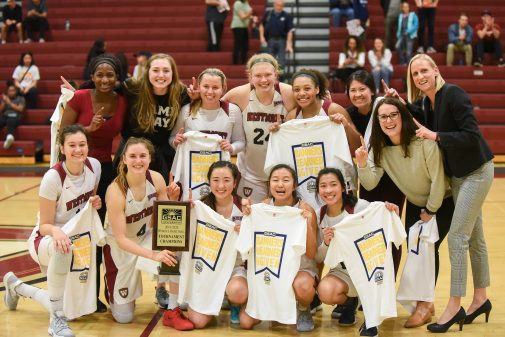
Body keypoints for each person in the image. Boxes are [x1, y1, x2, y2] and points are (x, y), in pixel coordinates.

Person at [405, 53, 494, 333]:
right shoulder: (429, 102)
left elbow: (471, 135)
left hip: (477, 171)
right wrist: (398, 100)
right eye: (414, 73)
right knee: (476, 240)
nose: (419, 76)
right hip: (458, 176)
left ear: (435, 70)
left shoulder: (453, 93)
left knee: (457, 238)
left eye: (423, 70)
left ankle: (454, 306)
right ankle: (481, 298)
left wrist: (437, 136)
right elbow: (422, 120)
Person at [355, 97, 454, 328]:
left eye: (393, 115)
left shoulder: (424, 143)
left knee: (430, 248)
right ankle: (423, 303)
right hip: (417, 203)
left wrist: (431, 210)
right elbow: (369, 184)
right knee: (415, 249)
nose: (388, 121)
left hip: (443, 200)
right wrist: (361, 163)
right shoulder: (380, 150)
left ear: (403, 116)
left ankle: (425, 304)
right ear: (377, 121)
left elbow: (439, 181)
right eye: (383, 117)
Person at [3, 124, 102, 337]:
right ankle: (55, 322)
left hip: (75, 239)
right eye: (72, 145)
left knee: (69, 309)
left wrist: (95, 203)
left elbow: (87, 205)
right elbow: (45, 225)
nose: (78, 150)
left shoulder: (94, 167)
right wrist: (57, 233)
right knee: (62, 249)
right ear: (62, 148)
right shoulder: (53, 178)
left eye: (82, 144)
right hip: (45, 240)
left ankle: (16, 285)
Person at [60, 54, 127, 312]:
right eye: (100, 74)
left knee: (99, 234)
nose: (105, 79)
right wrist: (87, 129)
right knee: (79, 231)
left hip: (105, 170)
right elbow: (63, 135)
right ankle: (75, 293)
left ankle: (99, 294)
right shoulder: (79, 98)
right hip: (78, 168)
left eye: (109, 74)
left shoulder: (122, 102)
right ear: (92, 76)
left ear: (117, 77)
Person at [103, 137, 190, 327]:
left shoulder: (156, 178)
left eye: (142, 156)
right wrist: (152, 255)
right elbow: (120, 239)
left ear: (149, 158)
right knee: (124, 317)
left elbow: (165, 221)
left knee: (174, 242)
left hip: (146, 236)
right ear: (124, 159)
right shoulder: (116, 191)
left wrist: (173, 201)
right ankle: (113, 292)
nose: (138, 161)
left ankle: (171, 305)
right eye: (132, 156)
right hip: (121, 248)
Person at [315, 167, 399, 336]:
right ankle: (350, 302)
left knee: (376, 281)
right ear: (318, 190)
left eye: (333, 185)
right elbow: (318, 257)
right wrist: (325, 242)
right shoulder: (319, 215)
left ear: (343, 188)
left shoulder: (361, 207)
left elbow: (381, 222)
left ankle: (372, 319)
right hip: (343, 273)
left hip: (367, 271)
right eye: (323, 186)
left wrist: (390, 211)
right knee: (324, 291)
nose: (328, 190)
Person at [240, 164, 317, 332]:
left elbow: (311, 254)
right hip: (271, 270)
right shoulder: (262, 208)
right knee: (245, 322)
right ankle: (271, 304)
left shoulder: (304, 210)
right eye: (275, 180)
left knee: (303, 287)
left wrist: (308, 224)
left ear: (295, 185)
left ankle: (304, 309)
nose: (280, 184)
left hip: (300, 269)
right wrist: (247, 218)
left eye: (286, 180)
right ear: (269, 184)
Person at [344, 70, 405, 276]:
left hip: (393, 176)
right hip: (368, 174)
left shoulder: (384, 106)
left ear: (372, 91)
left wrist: (399, 102)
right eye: (353, 90)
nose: (358, 94)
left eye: (362, 89)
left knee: (391, 228)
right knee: (368, 230)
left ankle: (388, 283)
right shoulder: (349, 114)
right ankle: (371, 280)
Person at [221, 53, 297, 203]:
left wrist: (321, 98)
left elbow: (311, 106)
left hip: (283, 174)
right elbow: (213, 107)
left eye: (268, 74)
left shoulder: (288, 93)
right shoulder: (240, 94)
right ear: (250, 76)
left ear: (276, 74)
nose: (263, 80)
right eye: (258, 75)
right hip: (251, 175)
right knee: (251, 219)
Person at [183, 160, 246, 327]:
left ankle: (234, 303)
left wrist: (246, 232)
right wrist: (186, 212)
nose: (221, 185)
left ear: (235, 183)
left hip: (235, 266)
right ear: (209, 182)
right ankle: (211, 297)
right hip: (208, 269)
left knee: (238, 291)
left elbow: (256, 244)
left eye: (226, 180)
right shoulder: (200, 206)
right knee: (198, 322)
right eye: (216, 180)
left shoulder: (245, 207)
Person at [118, 53, 190, 183]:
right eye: (156, 70)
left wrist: (196, 99)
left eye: (166, 70)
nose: (161, 75)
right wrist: (78, 91)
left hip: (162, 154)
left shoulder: (182, 93)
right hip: (133, 152)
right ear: (147, 71)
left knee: (161, 197)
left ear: (173, 73)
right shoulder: (132, 87)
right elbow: (103, 90)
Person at [170, 68, 245, 155]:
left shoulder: (233, 111)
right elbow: (172, 139)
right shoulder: (187, 110)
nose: (210, 91)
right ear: (199, 87)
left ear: (223, 89)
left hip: (220, 167)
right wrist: (176, 142)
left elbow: (240, 142)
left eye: (215, 87)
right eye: (206, 86)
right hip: (192, 166)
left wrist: (232, 147)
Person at [286, 68, 360, 151]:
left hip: (335, 163)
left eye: (307, 88)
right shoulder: (292, 116)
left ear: (317, 89)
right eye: (296, 90)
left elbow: (359, 145)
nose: (302, 93)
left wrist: (347, 126)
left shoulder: (333, 109)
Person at [259, 0, 294, 71]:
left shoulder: (287, 16)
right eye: (278, 5)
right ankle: (271, 76)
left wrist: (289, 44)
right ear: (274, 5)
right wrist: (261, 36)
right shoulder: (268, 14)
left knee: (281, 60)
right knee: (270, 60)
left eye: (281, 5)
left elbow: (290, 31)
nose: (279, 7)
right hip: (270, 39)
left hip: (282, 40)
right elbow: (261, 25)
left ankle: (281, 78)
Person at [1, 81, 25, 149]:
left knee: (10, 120)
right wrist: (4, 103)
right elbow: (0, 111)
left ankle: (9, 137)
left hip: (15, 116)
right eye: (10, 91)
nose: (11, 92)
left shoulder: (21, 99)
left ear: (16, 91)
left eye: (13, 91)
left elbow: (20, 109)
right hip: (5, 116)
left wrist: (9, 103)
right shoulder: (4, 99)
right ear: (7, 92)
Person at [231, 0, 254, 65]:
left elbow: (247, 14)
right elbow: (242, 17)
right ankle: (235, 62)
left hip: (244, 26)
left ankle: (244, 61)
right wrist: (250, 14)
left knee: (245, 45)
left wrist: (252, 17)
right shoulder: (237, 3)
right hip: (238, 26)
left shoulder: (246, 2)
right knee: (238, 44)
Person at [396, 1, 419, 65]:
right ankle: (402, 61)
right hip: (402, 35)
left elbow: (416, 25)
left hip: (410, 35)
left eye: (406, 7)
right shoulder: (400, 16)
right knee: (397, 46)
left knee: (408, 52)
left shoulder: (413, 15)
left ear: (409, 8)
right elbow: (399, 26)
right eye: (404, 7)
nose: (405, 8)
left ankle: (409, 64)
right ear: (402, 8)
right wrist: (398, 34)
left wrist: (409, 31)